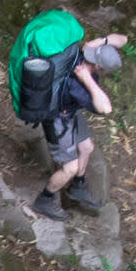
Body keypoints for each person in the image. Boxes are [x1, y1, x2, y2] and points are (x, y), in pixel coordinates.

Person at [30, 24, 126, 215]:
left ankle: (78, 186)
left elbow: (123, 39)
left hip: (70, 111)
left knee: (86, 147)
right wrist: (88, 80)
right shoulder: (79, 85)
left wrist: (102, 41)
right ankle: (45, 199)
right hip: (57, 118)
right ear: (98, 66)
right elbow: (105, 108)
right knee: (70, 167)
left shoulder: (85, 50)